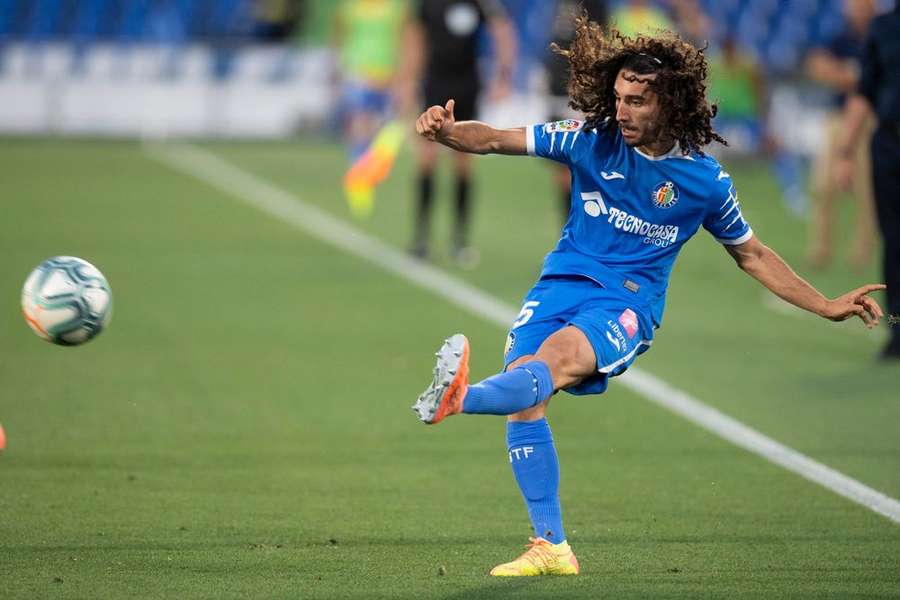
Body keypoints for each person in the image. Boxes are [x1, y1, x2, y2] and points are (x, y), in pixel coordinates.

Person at [410, 19, 886, 576]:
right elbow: (493, 138)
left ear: (668, 103)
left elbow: (752, 254)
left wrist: (826, 304)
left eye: (636, 101)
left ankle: (459, 398)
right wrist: (444, 131)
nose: (624, 111)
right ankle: (552, 547)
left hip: (624, 306)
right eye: (618, 98)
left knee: (554, 363)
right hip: (559, 284)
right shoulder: (591, 140)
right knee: (526, 394)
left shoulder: (704, 182)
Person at [400, 0, 516, 266]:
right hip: (434, 84)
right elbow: (415, 40)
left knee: (463, 163)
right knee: (427, 160)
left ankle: (460, 240)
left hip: (467, 87)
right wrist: (407, 83)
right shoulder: (427, 4)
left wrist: (503, 76)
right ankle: (421, 238)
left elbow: (502, 31)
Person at [835, 2, 900, 359]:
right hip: (891, 143)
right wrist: (845, 152)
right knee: (894, 239)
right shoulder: (883, 28)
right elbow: (865, 91)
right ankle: (898, 328)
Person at [805, 0, 878, 270]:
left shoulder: (878, 36)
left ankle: (862, 253)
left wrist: (849, 78)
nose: (854, 10)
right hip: (838, 117)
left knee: (868, 189)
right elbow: (816, 65)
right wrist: (852, 79)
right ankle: (820, 249)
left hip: (871, 120)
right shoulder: (841, 37)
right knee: (824, 184)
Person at [544, 0, 609, 223]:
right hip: (556, 91)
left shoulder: (595, 4)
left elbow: (598, 44)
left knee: (580, 166)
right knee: (560, 165)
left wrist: (585, 89)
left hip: (578, 96)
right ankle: (568, 234)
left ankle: (583, 232)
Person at [334, 0, 410, 160]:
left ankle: (373, 169)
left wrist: (403, 74)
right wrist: (340, 68)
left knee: (389, 127)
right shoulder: (351, 7)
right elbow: (340, 36)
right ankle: (360, 174)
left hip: (388, 74)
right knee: (360, 123)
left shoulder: (396, 7)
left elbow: (405, 39)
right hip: (359, 74)